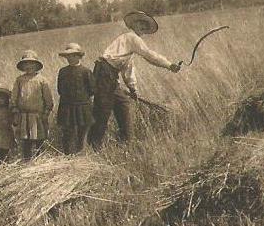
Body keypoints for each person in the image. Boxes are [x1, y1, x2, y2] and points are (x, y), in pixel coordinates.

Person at [87, 11, 182, 150]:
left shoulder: (130, 47)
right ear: (134, 24)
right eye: (140, 23)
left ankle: (125, 143)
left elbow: (127, 69)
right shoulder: (131, 38)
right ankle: (94, 147)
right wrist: (169, 65)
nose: (143, 27)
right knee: (103, 110)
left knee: (123, 103)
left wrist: (133, 88)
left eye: (145, 25)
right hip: (104, 73)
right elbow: (149, 55)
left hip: (110, 75)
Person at [11, 50, 54, 160]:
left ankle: (39, 158)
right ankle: (27, 159)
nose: (29, 66)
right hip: (24, 115)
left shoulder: (42, 80)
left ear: (36, 65)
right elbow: (14, 96)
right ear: (23, 66)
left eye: (31, 63)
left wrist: (47, 111)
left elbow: (48, 97)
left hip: (37, 115)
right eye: (26, 63)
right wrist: (15, 109)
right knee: (25, 139)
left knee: (39, 138)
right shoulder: (19, 80)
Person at [56, 43, 95, 155]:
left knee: (82, 131)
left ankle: (81, 153)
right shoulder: (63, 71)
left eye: (73, 56)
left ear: (79, 56)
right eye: (68, 56)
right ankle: (68, 154)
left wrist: (82, 98)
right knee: (68, 131)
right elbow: (60, 89)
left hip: (83, 105)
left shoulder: (85, 71)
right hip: (67, 106)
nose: (70, 58)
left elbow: (92, 89)